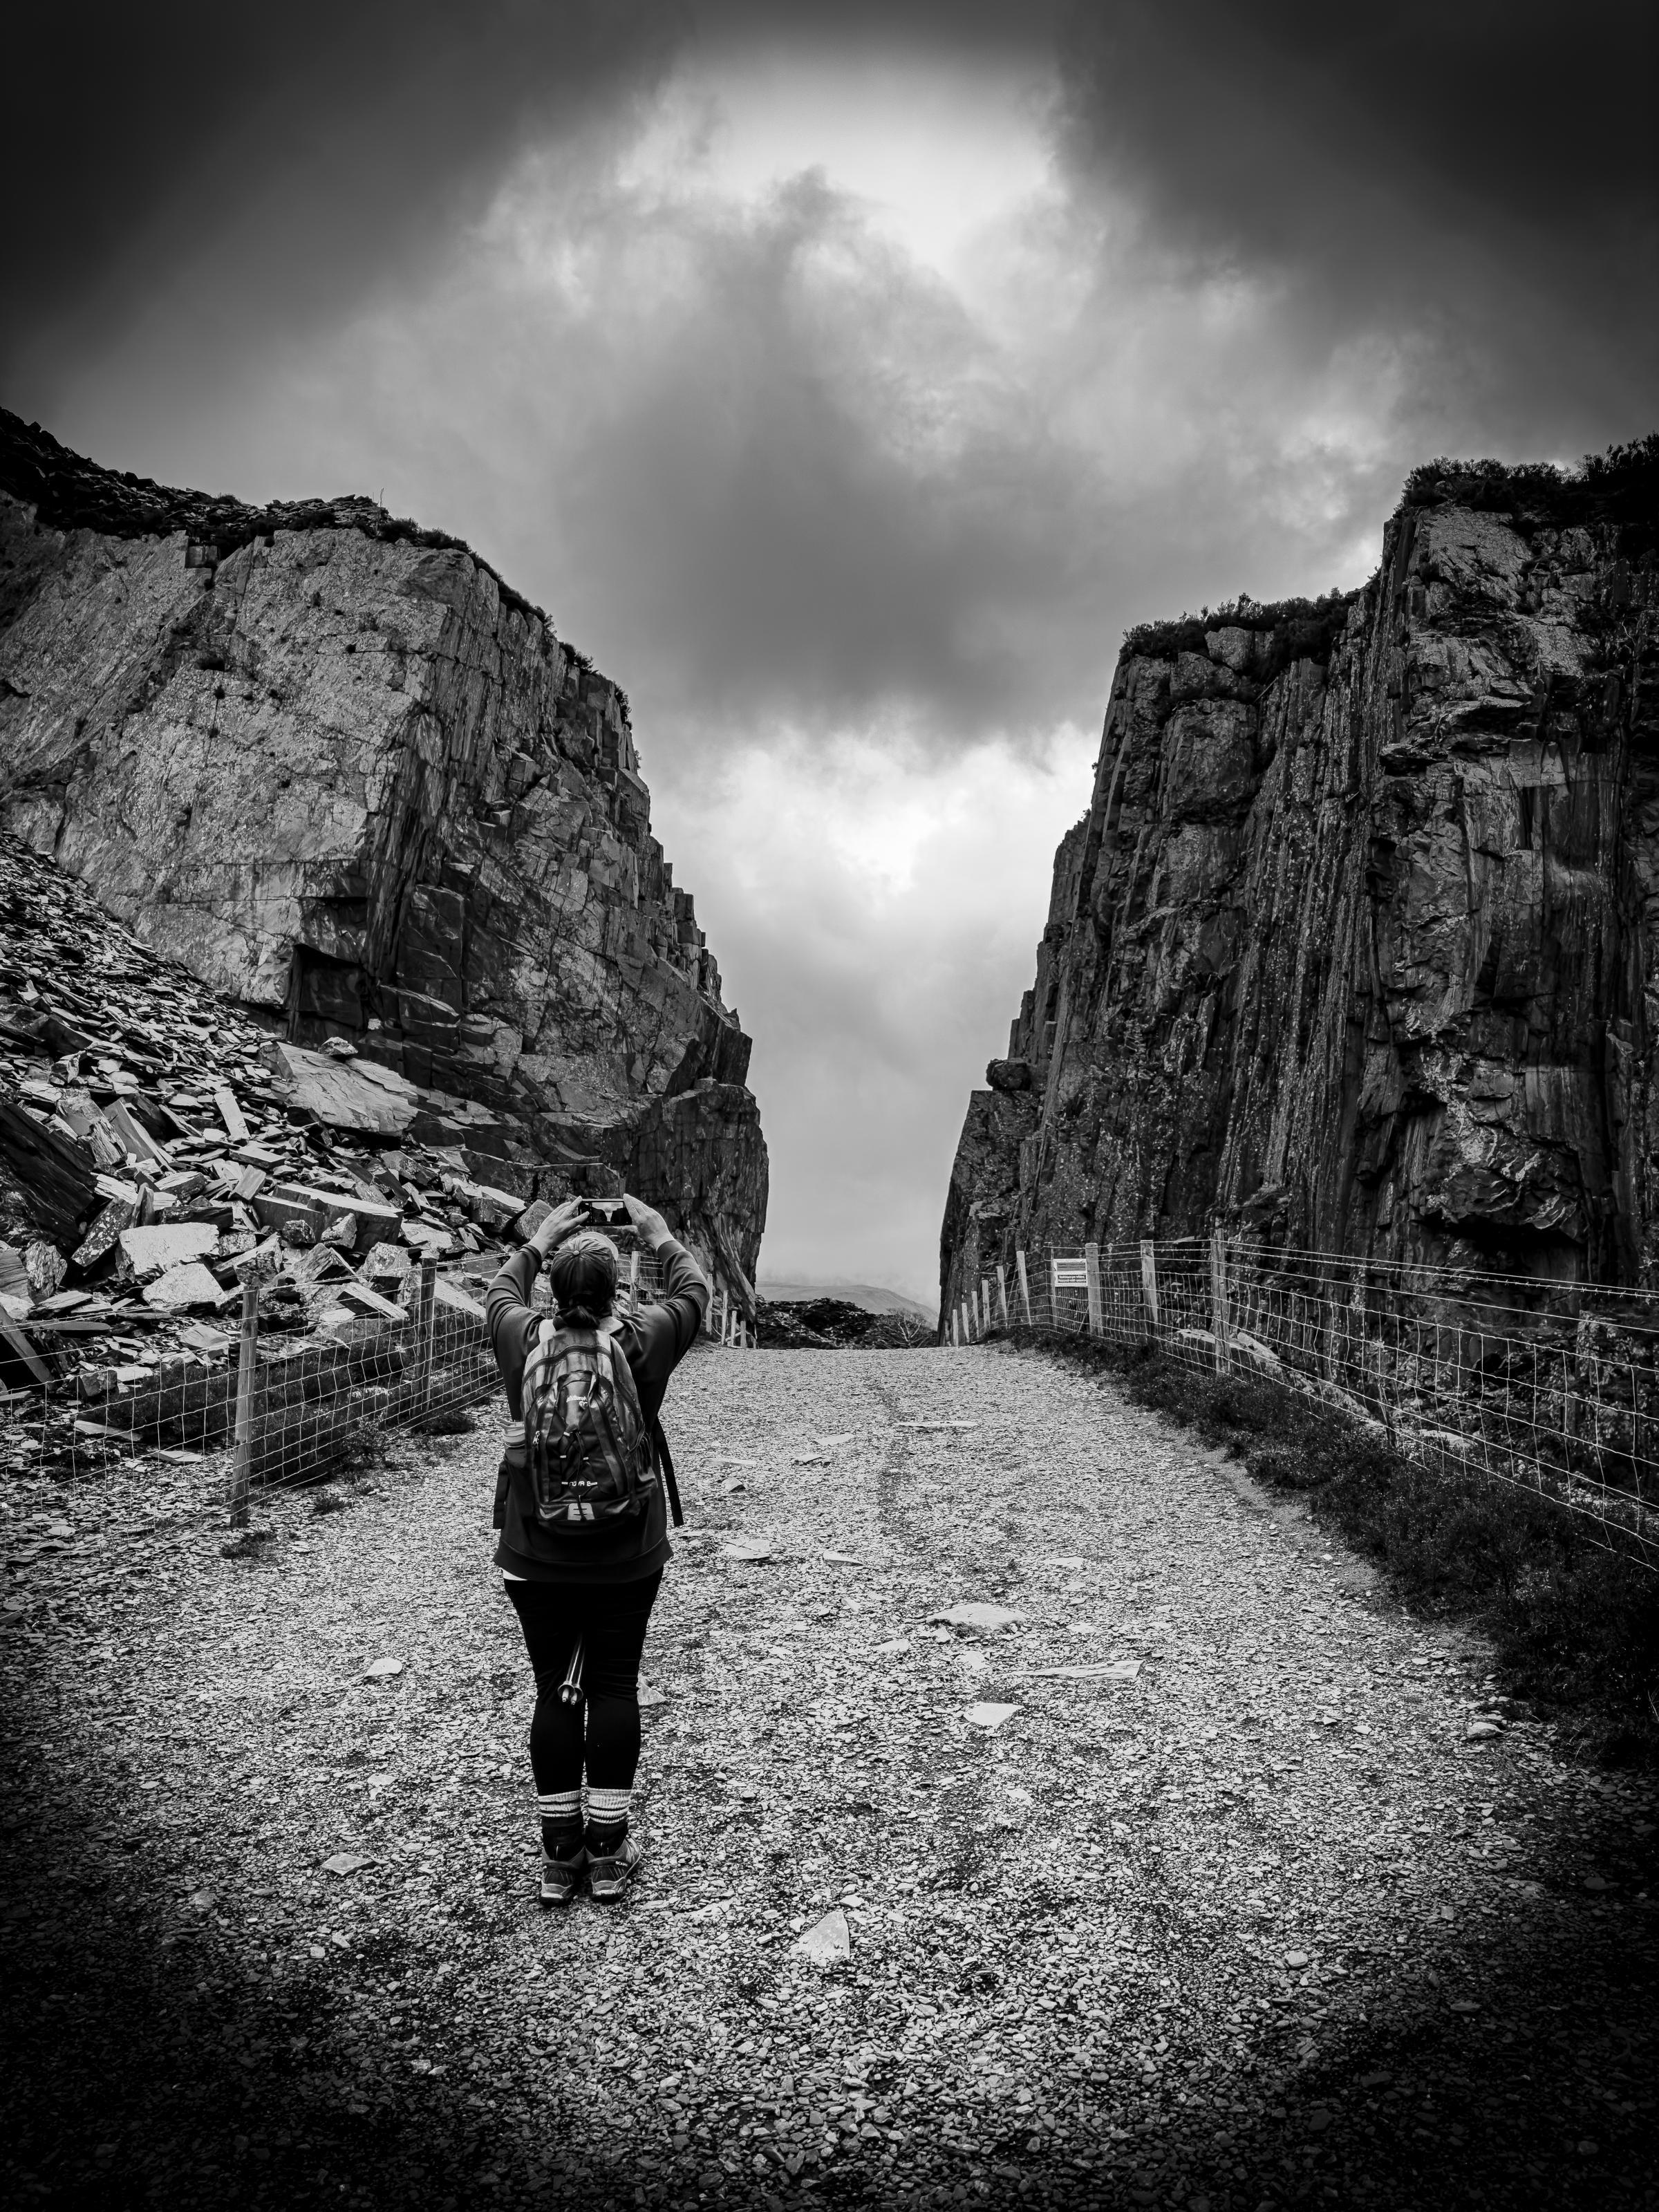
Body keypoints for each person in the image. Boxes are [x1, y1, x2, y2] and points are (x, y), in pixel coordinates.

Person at [485, 1193, 709, 1904]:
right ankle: (608, 1855)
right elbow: (694, 1289)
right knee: (613, 1683)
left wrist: (540, 1237)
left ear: (553, 1287)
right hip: (626, 1549)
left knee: (555, 1689)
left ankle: (559, 1856)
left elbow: (497, 1293)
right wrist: (659, 1232)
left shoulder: (524, 1338)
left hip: (534, 1550)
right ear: (619, 1290)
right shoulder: (642, 1339)